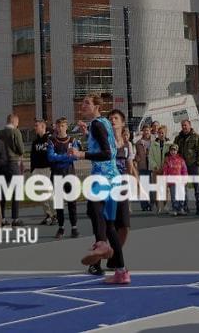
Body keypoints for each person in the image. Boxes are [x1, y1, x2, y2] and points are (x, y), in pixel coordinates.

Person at [70, 94, 129, 284]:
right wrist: (88, 134)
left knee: (93, 209)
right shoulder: (103, 124)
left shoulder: (97, 124)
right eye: (82, 102)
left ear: (97, 107)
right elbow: (109, 145)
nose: (82, 105)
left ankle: (102, 244)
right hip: (114, 178)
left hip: (103, 176)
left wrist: (81, 154)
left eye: (86, 103)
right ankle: (121, 272)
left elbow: (106, 153)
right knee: (109, 226)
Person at [47, 117, 81, 239]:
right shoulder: (52, 141)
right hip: (57, 174)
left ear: (66, 127)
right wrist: (66, 156)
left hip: (69, 174)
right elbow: (51, 157)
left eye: (62, 126)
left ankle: (74, 227)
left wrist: (61, 157)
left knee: (72, 202)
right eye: (58, 126)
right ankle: (61, 227)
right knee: (59, 203)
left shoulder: (72, 140)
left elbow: (75, 156)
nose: (60, 128)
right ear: (56, 127)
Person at [0, 113, 26, 226]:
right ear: (14, 121)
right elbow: (21, 149)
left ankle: (2, 218)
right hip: (13, 163)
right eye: (17, 122)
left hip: (2, 165)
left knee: (2, 192)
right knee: (16, 191)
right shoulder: (15, 132)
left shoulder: (0, 133)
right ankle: (15, 218)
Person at [173, 119, 199, 215]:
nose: (184, 127)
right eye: (182, 125)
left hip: (193, 165)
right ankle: (185, 206)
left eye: (185, 125)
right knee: (183, 187)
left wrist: (198, 163)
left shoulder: (196, 137)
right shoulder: (178, 138)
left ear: (190, 126)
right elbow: (175, 150)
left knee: (196, 187)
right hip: (182, 166)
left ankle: (198, 206)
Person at [29, 120, 56, 225]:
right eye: (34, 126)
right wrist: (32, 169)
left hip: (47, 168)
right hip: (37, 169)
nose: (35, 128)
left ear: (43, 127)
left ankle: (55, 215)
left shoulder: (50, 139)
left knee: (48, 192)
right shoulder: (35, 142)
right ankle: (48, 214)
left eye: (37, 126)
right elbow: (32, 156)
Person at [147, 125, 171, 214]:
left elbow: (170, 157)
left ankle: (165, 205)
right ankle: (158, 207)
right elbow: (150, 157)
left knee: (165, 188)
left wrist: (165, 167)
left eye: (162, 133)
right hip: (155, 170)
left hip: (165, 170)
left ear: (165, 133)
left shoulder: (169, 144)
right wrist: (155, 167)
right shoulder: (153, 144)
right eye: (159, 133)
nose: (161, 134)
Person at [161, 144, 190, 215]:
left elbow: (184, 170)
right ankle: (175, 209)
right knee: (173, 196)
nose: (173, 152)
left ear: (177, 151)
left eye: (174, 150)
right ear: (170, 151)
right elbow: (165, 171)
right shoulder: (167, 160)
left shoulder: (181, 160)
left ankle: (181, 208)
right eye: (171, 150)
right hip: (172, 182)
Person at [134, 125, 153, 212]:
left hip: (152, 165)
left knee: (151, 186)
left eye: (147, 130)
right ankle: (144, 205)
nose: (146, 132)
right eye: (144, 130)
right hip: (142, 165)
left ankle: (151, 204)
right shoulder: (138, 143)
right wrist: (137, 158)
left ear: (150, 131)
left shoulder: (154, 142)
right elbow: (134, 154)